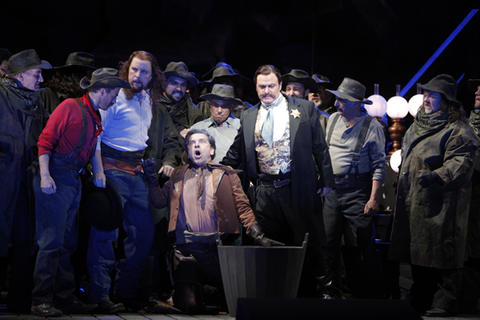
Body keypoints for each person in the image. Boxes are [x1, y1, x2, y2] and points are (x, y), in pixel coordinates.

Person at [222, 64, 335, 298]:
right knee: (268, 243)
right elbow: (237, 151)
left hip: (297, 186)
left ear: (280, 85)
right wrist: (216, 171)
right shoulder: (249, 114)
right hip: (265, 189)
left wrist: (326, 178)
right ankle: (273, 293)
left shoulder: (303, 109)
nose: (266, 91)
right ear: (256, 87)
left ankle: (323, 291)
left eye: (271, 86)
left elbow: (320, 146)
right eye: (261, 87)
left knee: (309, 239)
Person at [143, 129, 282, 314]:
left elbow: (242, 205)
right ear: (188, 151)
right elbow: (159, 200)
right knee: (189, 306)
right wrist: (152, 178)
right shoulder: (178, 173)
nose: (197, 145)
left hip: (217, 250)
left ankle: (201, 292)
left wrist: (257, 234)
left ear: (212, 150)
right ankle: (181, 295)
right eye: (192, 143)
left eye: (202, 142)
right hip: (186, 250)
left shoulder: (226, 173)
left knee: (231, 302)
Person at [31, 68, 130, 317]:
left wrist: (99, 172)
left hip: (73, 177)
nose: (116, 99)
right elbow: (45, 141)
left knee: (67, 243)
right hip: (55, 173)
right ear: (103, 90)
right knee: (50, 241)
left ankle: (63, 297)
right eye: (114, 93)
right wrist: (45, 175)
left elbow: (94, 147)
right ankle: (40, 299)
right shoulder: (70, 106)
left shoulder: (95, 115)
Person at [86, 51, 173, 312]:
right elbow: (97, 136)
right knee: (105, 232)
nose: (138, 75)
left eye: (144, 71)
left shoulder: (148, 98)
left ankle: (125, 290)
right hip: (112, 168)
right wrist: (98, 170)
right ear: (126, 70)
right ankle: (99, 294)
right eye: (134, 70)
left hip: (136, 171)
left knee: (144, 232)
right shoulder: (116, 97)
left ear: (152, 75)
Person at [389, 74, 477, 317]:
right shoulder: (417, 124)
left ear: (446, 101)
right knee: (418, 251)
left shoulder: (457, 129)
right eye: (426, 94)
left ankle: (444, 300)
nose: (426, 99)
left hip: (441, 202)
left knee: (441, 252)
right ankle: (421, 296)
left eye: (433, 96)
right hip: (414, 199)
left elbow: (460, 162)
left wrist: (437, 175)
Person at [321, 77, 386, 299]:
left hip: (358, 189)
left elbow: (379, 165)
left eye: (344, 101)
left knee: (364, 243)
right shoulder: (332, 120)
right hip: (332, 189)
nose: (338, 104)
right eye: (338, 99)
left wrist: (373, 198)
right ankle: (332, 291)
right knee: (329, 242)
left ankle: (374, 294)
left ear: (358, 104)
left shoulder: (372, 127)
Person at [0, 49, 52, 312]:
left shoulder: (36, 102)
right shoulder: (1, 95)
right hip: (3, 176)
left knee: (24, 237)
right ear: (19, 75)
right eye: (36, 74)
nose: (40, 79)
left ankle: (18, 300)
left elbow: (42, 137)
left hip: (25, 177)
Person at [457, 78, 480, 313]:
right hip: (467, 195)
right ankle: (465, 304)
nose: (478, 90)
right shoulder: (466, 124)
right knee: (469, 253)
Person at [190, 84, 242, 162]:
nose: (219, 110)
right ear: (210, 104)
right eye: (216, 105)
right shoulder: (197, 128)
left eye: (224, 106)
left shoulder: (240, 127)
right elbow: (187, 159)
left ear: (231, 106)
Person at [159, 61, 203, 142]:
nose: (179, 88)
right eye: (174, 83)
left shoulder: (193, 111)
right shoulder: (151, 106)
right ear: (164, 83)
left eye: (183, 84)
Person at [282, 69, 329, 133]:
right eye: (288, 89)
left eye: (296, 89)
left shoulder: (324, 118)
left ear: (306, 92)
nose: (291, 93)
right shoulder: (280, 115)